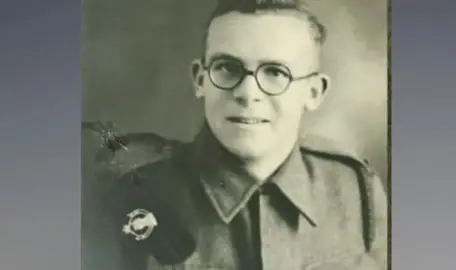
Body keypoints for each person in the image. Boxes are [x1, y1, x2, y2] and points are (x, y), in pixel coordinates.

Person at [81, 0, 388, 269]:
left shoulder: (355, 190)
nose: (247, 92)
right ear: (200, 80)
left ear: (314, 91)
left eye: (275, 72)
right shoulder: (129, 191)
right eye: (228, 68)